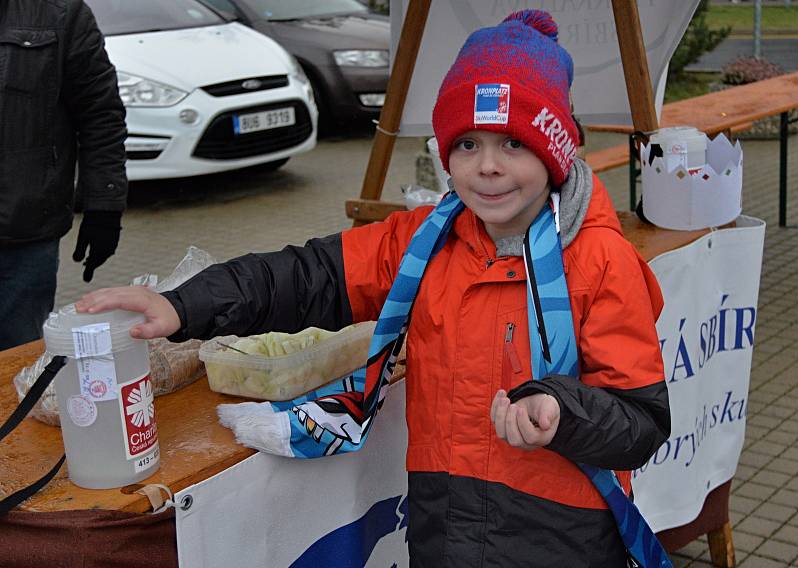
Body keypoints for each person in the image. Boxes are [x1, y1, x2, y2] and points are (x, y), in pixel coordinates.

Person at [77, 10, 671, 566]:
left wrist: (563, 411)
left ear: (555, 151)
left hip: (560, 538)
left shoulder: (599, 261)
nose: (487, 166)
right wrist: (182, 305)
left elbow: (642, 424)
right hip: (443, 529)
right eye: (468, 144)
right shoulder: (422, 242)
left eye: (513, 143)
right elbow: (305, 276)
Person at [0, 0, 128, 351]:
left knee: (17, 361)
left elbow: (100, 114)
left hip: (22, 240)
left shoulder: (59, 12)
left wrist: (104, 205)